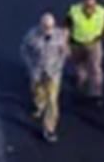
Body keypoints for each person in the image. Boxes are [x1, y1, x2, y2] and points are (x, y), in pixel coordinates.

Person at [20, 12, 70, 143]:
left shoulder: (60, 36)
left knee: (52, 101)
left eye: (50, 26)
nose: (48, 29)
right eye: (45, 26)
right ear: (41, 25)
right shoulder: (32, 35)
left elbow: (64, 53)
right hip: (37, 71)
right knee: (38, 92)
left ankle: (49, 129)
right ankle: (39, 103)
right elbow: (24, 50)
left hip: (53, 73)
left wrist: (58, 66)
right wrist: (30, 66)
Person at [65, 0, 104, 103]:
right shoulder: (73, 12)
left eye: (92, 5)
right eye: (87, 5)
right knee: (79, 67)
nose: (90, 8)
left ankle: (96, 93)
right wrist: (65, 45)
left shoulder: (102, 12)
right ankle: (81, 82)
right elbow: (66, 28)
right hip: (77, 44)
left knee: (95, 68)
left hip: (94, 44)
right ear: (83, 3)